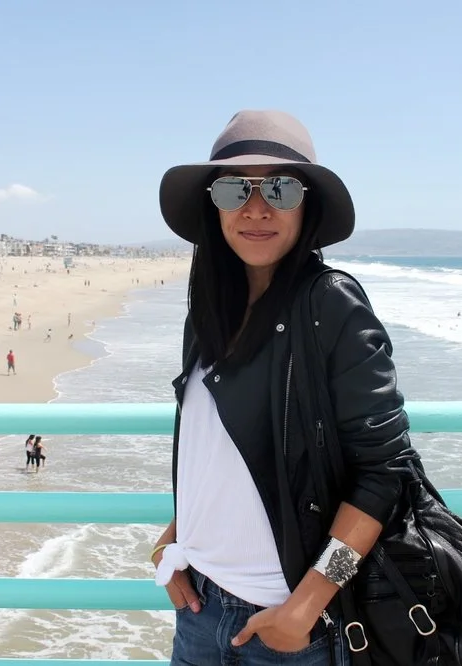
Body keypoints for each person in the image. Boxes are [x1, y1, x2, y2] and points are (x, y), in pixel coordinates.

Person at [152, 110, 417, 665]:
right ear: (211, 204)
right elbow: (215, 449)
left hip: (292, 629)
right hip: (198, 610)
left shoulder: (330, 305)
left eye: (279, 187)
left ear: (307, 204)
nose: (256, 208)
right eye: (233, 189)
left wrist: (309, 603)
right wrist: (172, 542)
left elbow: (384, 475)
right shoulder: (207, 313)